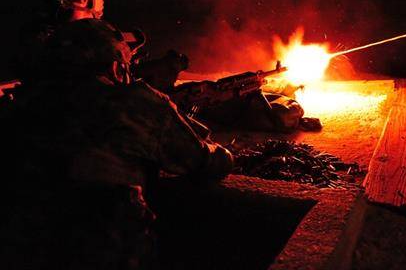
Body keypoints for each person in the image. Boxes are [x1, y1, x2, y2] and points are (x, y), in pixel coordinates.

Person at [2, 18, 233, 269]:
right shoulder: (132, 103)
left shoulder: (24, 102)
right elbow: (204, 161)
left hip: (23, 249)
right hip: (101, 252)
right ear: (115, 67)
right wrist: (222, 151)